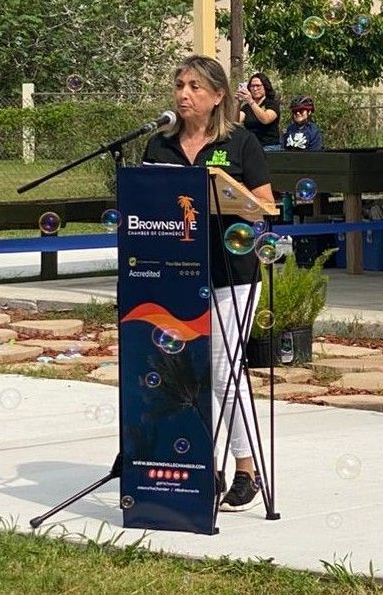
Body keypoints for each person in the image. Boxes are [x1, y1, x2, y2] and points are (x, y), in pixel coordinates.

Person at [142, 55, 274, 512]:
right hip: (176, 277)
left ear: (218, 95)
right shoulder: (158, 146)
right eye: (180, 84)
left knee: (222, 373)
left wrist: (225, 197)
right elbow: (146, 204)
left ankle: (246, 469)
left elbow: (265, 206)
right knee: (184, 375)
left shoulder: (241, 144)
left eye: (196, 86)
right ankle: (201, 465)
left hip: (231, 274)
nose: (184, 94)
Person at [237, 72, 280, 151]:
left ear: (265, 87)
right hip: (251, 146)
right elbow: (235, 121)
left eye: (258, 86)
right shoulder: (246, 107)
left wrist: (251, 101)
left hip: (269, 146)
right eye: (252, 86)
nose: (255, 89)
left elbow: (266, 119)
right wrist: (237, 103)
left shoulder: (272, 104)